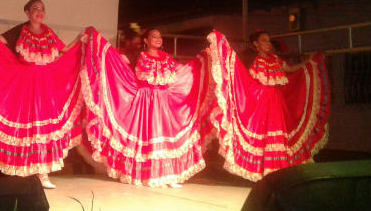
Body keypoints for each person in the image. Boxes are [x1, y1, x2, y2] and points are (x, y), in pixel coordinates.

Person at [0, 0, 87, 189]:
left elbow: (64, 50)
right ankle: (21, 169)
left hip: (45, 87)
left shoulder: (48, 32)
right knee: (25, 126)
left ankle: (43, 173)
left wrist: (79, 39)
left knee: (43, 129)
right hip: (24, 85)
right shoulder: (20, 30)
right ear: (27, 13)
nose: (39, 12)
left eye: (42, 9)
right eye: (35, 9)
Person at [80, 27, 218, 187]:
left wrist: (204, 58)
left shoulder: (166, 57)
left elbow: (182, 70)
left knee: (165, 139)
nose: (158, 39)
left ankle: (169, 176)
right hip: (146, 103)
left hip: (164, 104)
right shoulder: (141, 55)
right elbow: (124, 66)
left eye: (160, 37)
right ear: (146, 41)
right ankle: (147, 175)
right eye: (154, 37)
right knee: (150, 139)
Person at [206, 30, 330, 181]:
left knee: (279, 136)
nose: (268, 44)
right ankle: (267, 172)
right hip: (263, 105)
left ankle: (279, 171)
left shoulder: (276, 60)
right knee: (266, 137)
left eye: (269, 41)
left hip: (277, 104)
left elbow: (290, 69)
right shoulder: (257, 61)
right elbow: (248, 83)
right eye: (264, 40)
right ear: (256, 44)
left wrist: (309, 62)